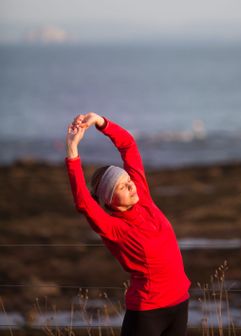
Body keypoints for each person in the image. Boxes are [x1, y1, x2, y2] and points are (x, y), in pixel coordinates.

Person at [65, 112, 191, 336]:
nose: (131, 186)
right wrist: (73, 150)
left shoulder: (142, 195)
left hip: (180, 303)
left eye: (128, 180)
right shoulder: (114, 228)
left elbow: (128, 146)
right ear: (110, 200)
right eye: (122, 187)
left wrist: (100, 122)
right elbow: (83, 201)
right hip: (147, 313)